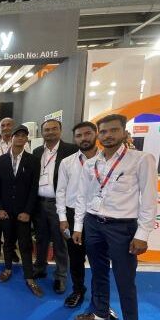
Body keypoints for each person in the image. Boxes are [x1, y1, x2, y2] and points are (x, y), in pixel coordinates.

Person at [73, 114, 157, 320]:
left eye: (113, 130)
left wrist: (143, 233)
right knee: (98, 272)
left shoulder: (141, 160)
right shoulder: (92, 163)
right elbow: (82, 196)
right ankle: (100, 312)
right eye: (104, 131)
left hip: (122, 227)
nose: (108, 135)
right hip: (93, 224)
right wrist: (78, 226)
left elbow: (149, 199)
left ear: (123, 132)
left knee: (124, 279)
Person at [0, 124, 42, 296]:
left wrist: (28, 211)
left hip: (23, 213)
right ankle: (7, 269)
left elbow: (34, 188)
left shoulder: (33, 160)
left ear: (27, 139)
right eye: (17, 135)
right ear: (11, 138)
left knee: (25, 244)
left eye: (24, 136)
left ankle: (29, 277)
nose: (20, 138)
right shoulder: (0, 161)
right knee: (7, 242)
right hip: (5, 211)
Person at [56, 122, 99, 308]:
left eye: (87, 134)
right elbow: (61, 191)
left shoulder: (106, 161)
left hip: (98, 217)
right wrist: (62, 218)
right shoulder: (67, 162)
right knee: (76, 258)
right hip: (73, 216)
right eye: (79, 135)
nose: (84, 138)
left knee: (99, 259)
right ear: (74, 139)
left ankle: (100, 298)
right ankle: (78, 290)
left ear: (96, 134)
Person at [32, 119, 78, 294]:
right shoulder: (37, 151)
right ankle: (40, 267)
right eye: (47, 130)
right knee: (41, 238)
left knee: (60, 241)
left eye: (54, 129)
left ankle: (60, 276)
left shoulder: (71, 150)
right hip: (39, 202)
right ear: (42, 133)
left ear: (60, 130)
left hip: (59, 204)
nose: (50, 132)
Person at [0, 117, 19, 262]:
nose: (6, 128)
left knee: (13, 222)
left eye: (8, 125)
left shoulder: (21, 144)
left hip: (16, 191)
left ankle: (11, 249)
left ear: (13, 127)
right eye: (3, 126)